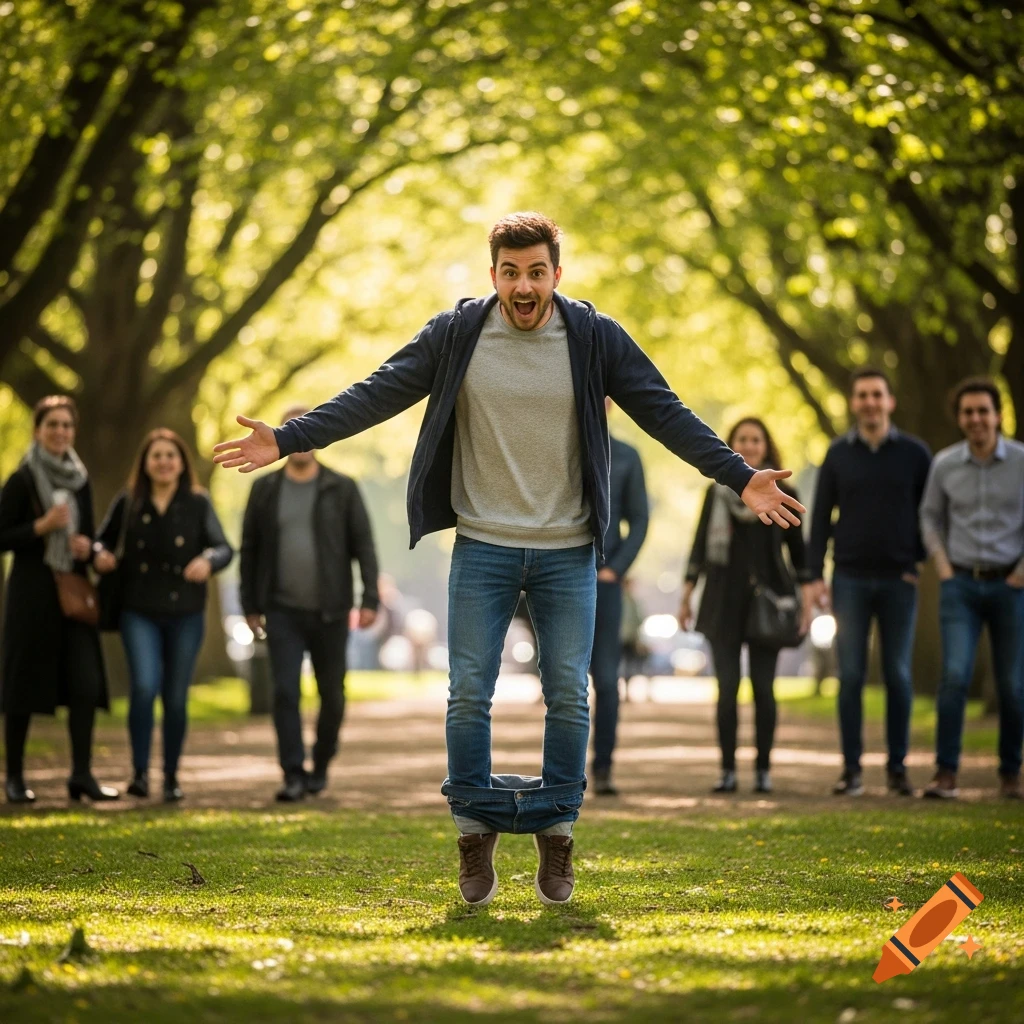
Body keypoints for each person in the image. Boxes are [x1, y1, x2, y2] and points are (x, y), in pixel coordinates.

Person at [213, 212, 804, 907]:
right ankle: (473, 831)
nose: (523, 286)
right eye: (510, 272)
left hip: (568, 552)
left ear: (559, 271)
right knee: (468, 693)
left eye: (536, 271)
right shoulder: (458, 333)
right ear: (492, 273)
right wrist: (287, 438)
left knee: (567, 694)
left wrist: (738, 474)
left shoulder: (593, 336)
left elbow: (664, 411)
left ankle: (556, 833)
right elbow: (375, 393)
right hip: (484, 547)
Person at [240, 406, 380, 802]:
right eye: (290, 431)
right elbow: (249, 548)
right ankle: (292, 773)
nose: (299, 441)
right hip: (281, 609)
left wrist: (369, 598)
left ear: (318, 437)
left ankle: (320, 764)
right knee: (284, 691)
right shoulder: (264, 489)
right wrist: (250, 604)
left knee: (332, 694)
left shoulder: (342, 487)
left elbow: (364, 546)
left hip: (332, 610)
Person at [805, 369, 932, 797]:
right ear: (853, 402)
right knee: (852, 675)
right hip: (850, 579)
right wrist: (813, 576)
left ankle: (898, 769)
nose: (870, 402)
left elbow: (930, 516)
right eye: (862, 395)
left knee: (898, 674)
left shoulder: (916, 454)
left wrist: (919, 560)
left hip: (900, 578)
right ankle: (852, 770)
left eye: (877, 394)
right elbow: (820, 517)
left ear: (890, 401)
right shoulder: (837, 454)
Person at [95, 429, 233, 802]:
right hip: (137, 609)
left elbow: (224, 548)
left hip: (185, 612)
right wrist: (99, 555)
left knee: (175, 696)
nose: (163, 462)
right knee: (144, 686)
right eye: (156, 455)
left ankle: (171, 776)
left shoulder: (197, 502)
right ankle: (140, 773)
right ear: (145, 463)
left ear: (181, 462)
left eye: (170, 455)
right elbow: (101, 540)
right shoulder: (129, 502)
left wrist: (207, 560)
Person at [0, 396, 118, 803]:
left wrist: (91, 547)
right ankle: (14, 777)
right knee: (21, 688)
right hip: (31, 595)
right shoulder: (22, 479)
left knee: (84, 682)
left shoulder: (80, 479)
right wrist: (40, 526)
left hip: (73, 592)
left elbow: (91, 531)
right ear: (38, 430)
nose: (60, 432)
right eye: (52, 425)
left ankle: (81, 775)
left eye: (67, 425)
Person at [680, 418, 808, 794]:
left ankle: (764, 769)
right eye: (742, 439)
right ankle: (727, 770)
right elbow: (700, 546)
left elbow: (801, 556)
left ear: (766, 447)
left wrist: (808, 601)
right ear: (731, 446)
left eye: (756, 440)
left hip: (769, 602)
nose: (750, 445)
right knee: (727, 688)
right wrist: (687, 594)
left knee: (765, 690)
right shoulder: (716, 494)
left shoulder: (786, 492)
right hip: (722, 602)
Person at [919, 377, 1024, 800]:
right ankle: (946, 773)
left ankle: (1011, 774)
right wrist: (943, 566)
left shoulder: (1021, 461)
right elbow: (929, 518)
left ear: (998, 415)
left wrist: (1020, 572)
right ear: (959, 418)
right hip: (960, 584)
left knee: (1014, 685)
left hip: (1011, 586)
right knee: (955, 676)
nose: (976, 419)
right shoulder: (944, 464)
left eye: (983, 410)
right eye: (968, 412)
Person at [590, 398, 648, 795]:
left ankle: (604, 768)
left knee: (607, 681)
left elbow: (640, 518)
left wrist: (617, 568)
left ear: (611, 402)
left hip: (605, 584)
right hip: (555, 579)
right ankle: (563, 773)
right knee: (562, 681)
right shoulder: (557, 446)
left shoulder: (627, 457)